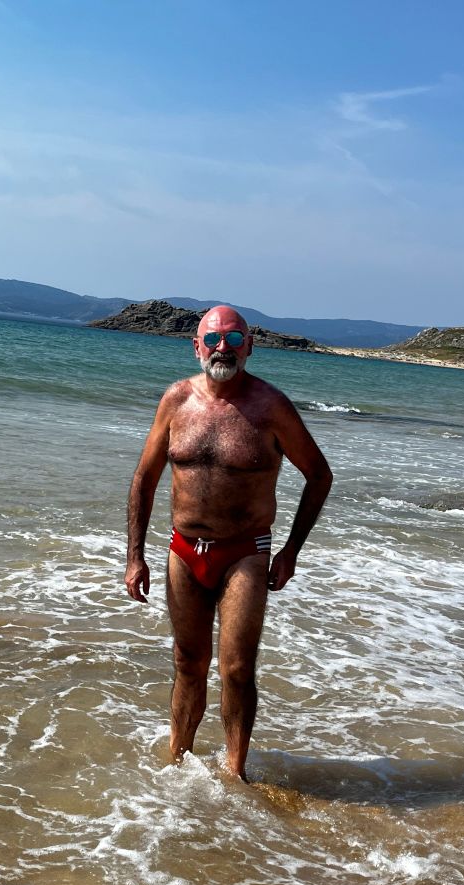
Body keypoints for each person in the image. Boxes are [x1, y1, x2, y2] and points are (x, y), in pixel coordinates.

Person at [125, 305, 332, 780]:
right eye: (214, 339)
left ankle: (235, 774)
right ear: (196, 346)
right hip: (183, 550)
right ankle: (177, 764)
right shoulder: (175, 400)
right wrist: (135, 556)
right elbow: (144, 479)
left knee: (236, 669)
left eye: (235, 339)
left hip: (245, 553)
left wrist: (291, 551)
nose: (224, 348)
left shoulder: (270, 407)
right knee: (188, 662)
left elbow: (319, 475)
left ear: (250, 347)